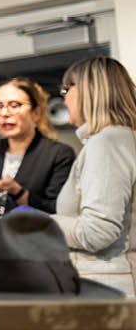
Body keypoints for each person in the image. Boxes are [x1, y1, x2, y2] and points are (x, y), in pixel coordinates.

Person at [52, 56, 136, 296]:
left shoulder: (108, 142)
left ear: (91, 90)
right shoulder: (123, 139)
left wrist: (43, 224)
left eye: (67, 88)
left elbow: (98, 232)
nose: (64, 97)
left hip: (109, 291)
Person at [0, 77, 75, 220]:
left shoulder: (58, 154)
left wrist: (19, 193)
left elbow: (57, 209)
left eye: (14, 105)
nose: (4, 113)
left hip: (35, 240)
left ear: (36, 113)